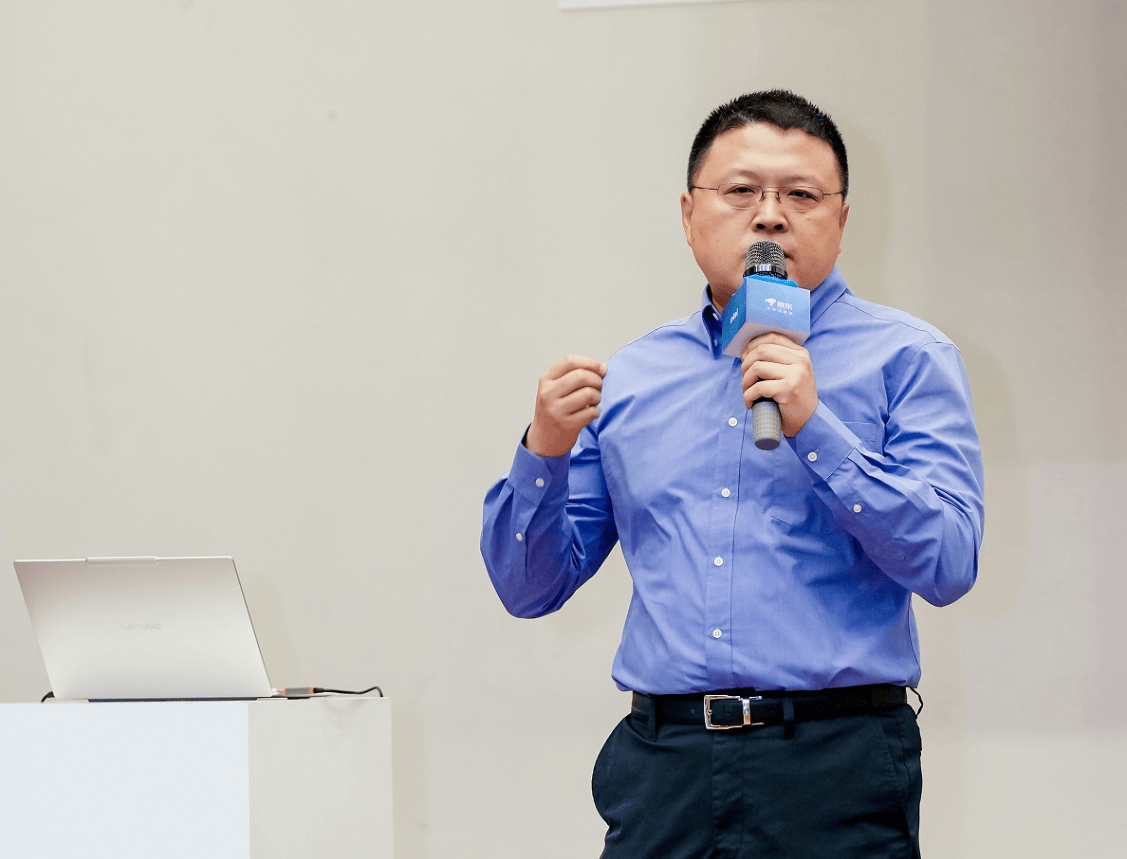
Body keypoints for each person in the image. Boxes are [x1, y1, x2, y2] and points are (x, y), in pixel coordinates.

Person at [480, 89, 984, 858]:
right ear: (689, 214)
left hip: (834, 763)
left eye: (801, 195)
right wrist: (543, 450)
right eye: (741, 190)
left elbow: (948, 562)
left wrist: (815, 427)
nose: (770, 216)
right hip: (665, 766)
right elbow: (528, 588)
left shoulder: (908, 357)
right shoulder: (634, 376)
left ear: (841, 218)